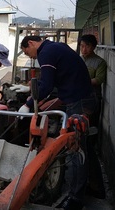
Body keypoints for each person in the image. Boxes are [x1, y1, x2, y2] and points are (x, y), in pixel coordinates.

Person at [19, 36, 97, 210]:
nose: (31, 57)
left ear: (31, 43)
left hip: (79, 102)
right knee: (85, 147)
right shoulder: (56, 47)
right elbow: (66, 78)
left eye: (27, 52)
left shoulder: (45, 53)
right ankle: (96, 187)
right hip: (83, 97)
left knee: (75, 149)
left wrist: (28, 104)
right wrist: (37, 94)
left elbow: (46, 86)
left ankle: (75, 199)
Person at [79, 34, 107, 199]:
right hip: (81, 100)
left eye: (87, 46)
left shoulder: (99, 62)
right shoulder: (79, 60)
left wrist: (81, 81)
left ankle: (94, 183)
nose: (83, 49)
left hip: (93, 102)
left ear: (93, 47)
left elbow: (100, 79)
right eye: (82, 45)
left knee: (89, 137)